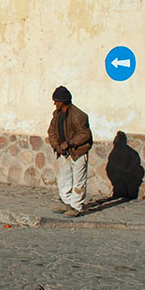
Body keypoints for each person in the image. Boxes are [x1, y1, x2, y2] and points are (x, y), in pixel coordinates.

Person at [47, 86, 93, 217]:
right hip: (64, 152)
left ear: (63, 101)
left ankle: (76, 207)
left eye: (56, 101)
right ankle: (67, 202)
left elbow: (84, 134)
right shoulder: (57, 115)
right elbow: (51, 131)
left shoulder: (78, 116)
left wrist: (69, 144)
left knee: (78, 180)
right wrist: (57, 146)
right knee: (64, 178)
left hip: (78, 151)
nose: (54, 103)